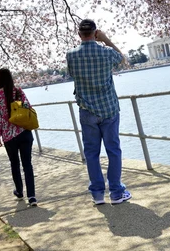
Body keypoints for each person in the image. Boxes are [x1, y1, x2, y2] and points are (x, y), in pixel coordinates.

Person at [66, 19, 132, 205]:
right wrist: (106, 40)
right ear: (96, 33)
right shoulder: (106, 52)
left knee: (92, 153)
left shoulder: (71, 55)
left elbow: (72, 74)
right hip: (109, 108)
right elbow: (122, 59)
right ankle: (117, 192)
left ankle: (97, 194)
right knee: (113, 150)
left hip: (87, 110)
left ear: (79, 35)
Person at [0, 68, 37, 207]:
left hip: (8, 136)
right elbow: (28, 106)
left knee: (15, 164)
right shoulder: (18, 90)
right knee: (27, 164)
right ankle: (32, 196)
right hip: (24, 132)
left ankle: (19, 191)